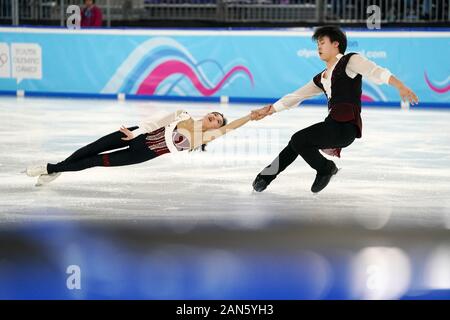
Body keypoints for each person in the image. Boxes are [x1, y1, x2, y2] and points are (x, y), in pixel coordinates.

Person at [251, 25, 419, 194]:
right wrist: (270, 109)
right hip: (332, 126)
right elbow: (296, 96)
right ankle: (265, 177)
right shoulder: (322, 77)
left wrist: (400, 86)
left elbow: (376, 72)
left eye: (322, 42)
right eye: (317, 44)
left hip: (345, 128)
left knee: (298, 140)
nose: (319, 47)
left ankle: (326, 168)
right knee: (296, 143)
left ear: (336, 44)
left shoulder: (350, 61)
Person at [25, 110, 255, 186]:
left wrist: (252, 116)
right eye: (213, 114)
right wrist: (134, 132)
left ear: (216, 128)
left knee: (95, 161)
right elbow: (155, 122)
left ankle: (50, 168)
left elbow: (233, 126)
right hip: (136, 134)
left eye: (216, 121)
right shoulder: (183, 114)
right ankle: (56, 170)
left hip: (142, 154)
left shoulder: (203, 138)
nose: (213, 118)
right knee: (90, 148)